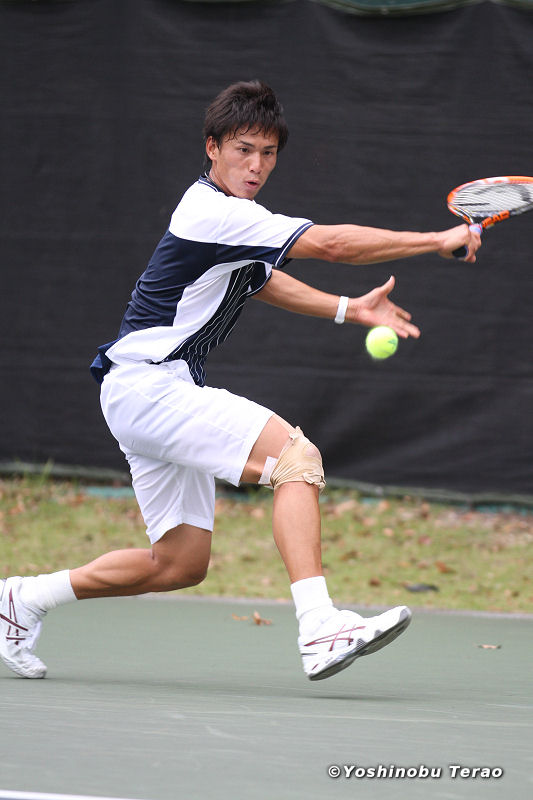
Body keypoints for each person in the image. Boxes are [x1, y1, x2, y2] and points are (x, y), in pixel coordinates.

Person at [0, 80, 481, 682]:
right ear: (213, 147)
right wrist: (436, 240)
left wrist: (348, 309)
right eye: (242, 150)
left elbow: (260, 279)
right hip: (151, 387)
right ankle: (320, 625)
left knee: (179, 563)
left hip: (142, 392)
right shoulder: (213, 211)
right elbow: (331, 245)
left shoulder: (230, 221)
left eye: (268, 154)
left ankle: (22, 599)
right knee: (297, 458)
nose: (256, 166)